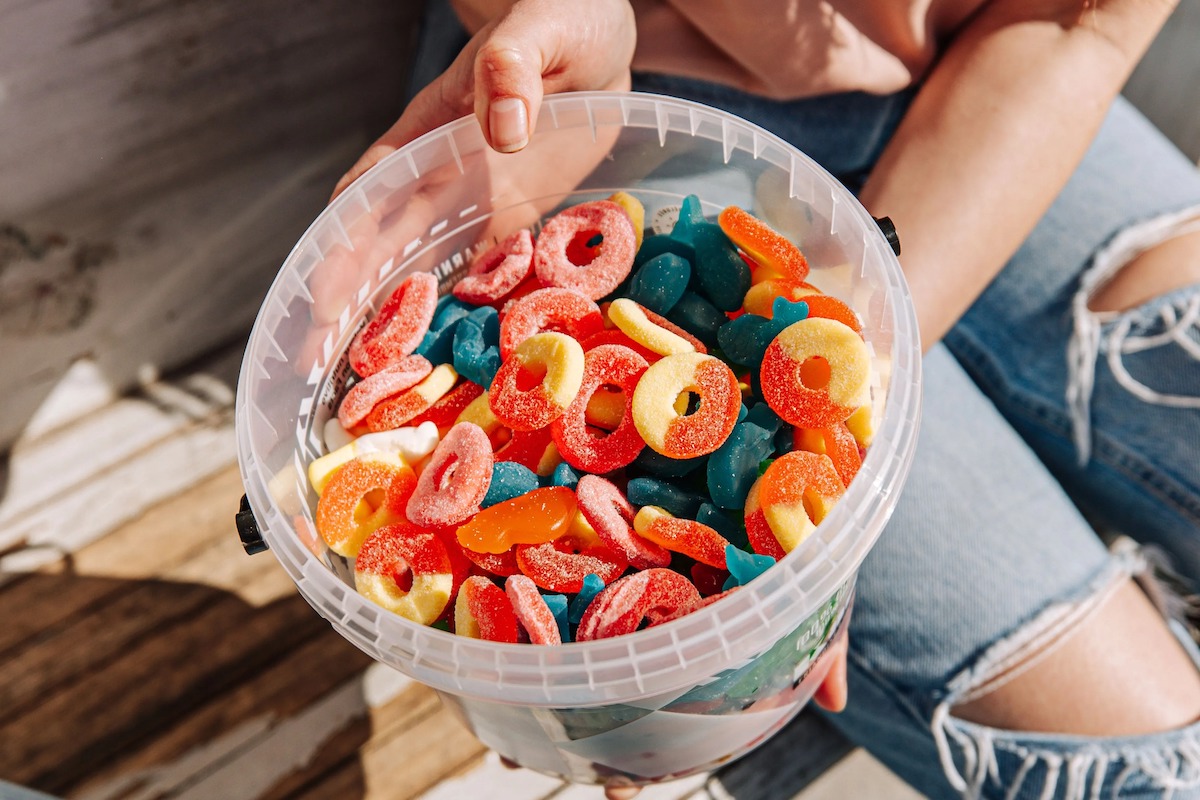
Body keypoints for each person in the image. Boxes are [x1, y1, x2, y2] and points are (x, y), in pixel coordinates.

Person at [333, 1, 1200, 797]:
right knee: (1144, 766)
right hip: (622, 120)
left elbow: (1080, 20)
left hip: (995, 66)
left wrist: (864, 343)